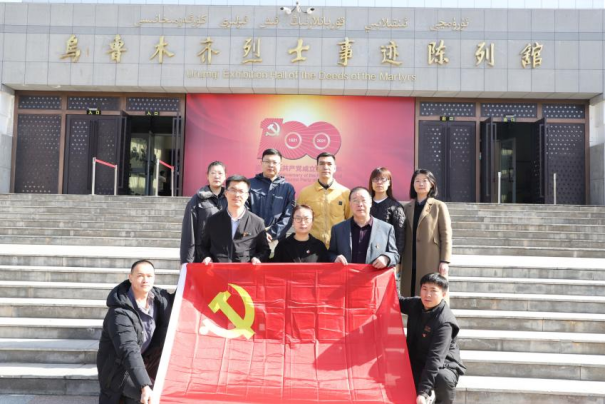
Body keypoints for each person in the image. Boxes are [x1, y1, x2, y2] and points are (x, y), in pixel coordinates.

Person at [97, 260, 173, 404]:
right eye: (140, 275)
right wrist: (144, 386)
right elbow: (129, 350)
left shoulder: (159, 299)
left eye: (149, 276)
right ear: (130, 277)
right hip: (120, 370)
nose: (145, 280)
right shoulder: (119, 313)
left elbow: (182, 297)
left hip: (146, 361)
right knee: (156, 394)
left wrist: (198, 269)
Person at [399, 273, 465, 404]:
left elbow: (435, 358)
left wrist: (423, 392)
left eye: (433, 291)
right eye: (424, 289)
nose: (427, 294)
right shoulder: (415, 304)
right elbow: (395, 299)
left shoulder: (445, 322)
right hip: (417, 360)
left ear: (443, 294)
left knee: (443, 378)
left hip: (443, 364)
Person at [401, 169, 452, 297]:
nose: (421, 184)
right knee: (409, 294)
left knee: (430, 293)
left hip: (431, 258)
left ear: (432, 184)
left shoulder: (438, 206)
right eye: (417, 181)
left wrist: (445, 261)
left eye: (425, 181)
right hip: (409, 259)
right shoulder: (406, 208)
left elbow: (446, 235)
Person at [201, 175, 270, 264]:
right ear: (226, 193)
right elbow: (202, 246)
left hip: (245, 271)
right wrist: (206, 257)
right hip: (218, 270)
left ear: (247, 195)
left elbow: (264, 250)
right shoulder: (212, 221)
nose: (237, 195)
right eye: (233, 190)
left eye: (241, 191)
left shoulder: (257, 222)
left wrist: (258, 258)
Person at [328, 187, 399, 268]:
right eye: (355, 200)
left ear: (370, 203)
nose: (360, 204)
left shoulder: (386, 229)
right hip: (346, 275)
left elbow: (394, 254)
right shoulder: (338, 229)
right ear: (350, 204)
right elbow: (330, 253)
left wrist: (386, 258)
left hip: (374, 275)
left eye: (363, 200)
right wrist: (335, 258)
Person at [297, 152, 352, 248]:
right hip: (311, 245)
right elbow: (298, 220)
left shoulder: (345, 192)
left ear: (334, 168)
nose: (325, 167)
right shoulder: (305, 193)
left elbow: (350, 219)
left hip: (337, 245)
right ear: (316, 167)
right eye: (322, 164)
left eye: (329, 164)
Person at [180, 161, 227, 264]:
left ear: (225, 176)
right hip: (203, 256)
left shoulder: (230, 198)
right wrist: (186, 262)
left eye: (220, 173)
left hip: (226, 256)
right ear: (207, 176)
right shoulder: (196, 200)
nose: (216, 176)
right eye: (213, 173)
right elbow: (189, 232)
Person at [248, 148, 296, 243]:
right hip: (252, 238)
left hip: (277, 240)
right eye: (267, 161)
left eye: (274, 162)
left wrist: (271, 233)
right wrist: (258, 233)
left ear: (280, 165)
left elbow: (288, 217)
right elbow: (243, 211)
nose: (271, 165)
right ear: (261, 163)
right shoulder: (249, 184)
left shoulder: (287, 188)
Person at [369, 167, 406, 275]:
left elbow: (400, 237)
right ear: (371, 182)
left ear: (389, 183)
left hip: (386, 258)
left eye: (383, 179)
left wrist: (396, 261)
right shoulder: (365, 204)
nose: (379, 182)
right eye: (376, 179)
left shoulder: (396, 207)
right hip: (365, 256)